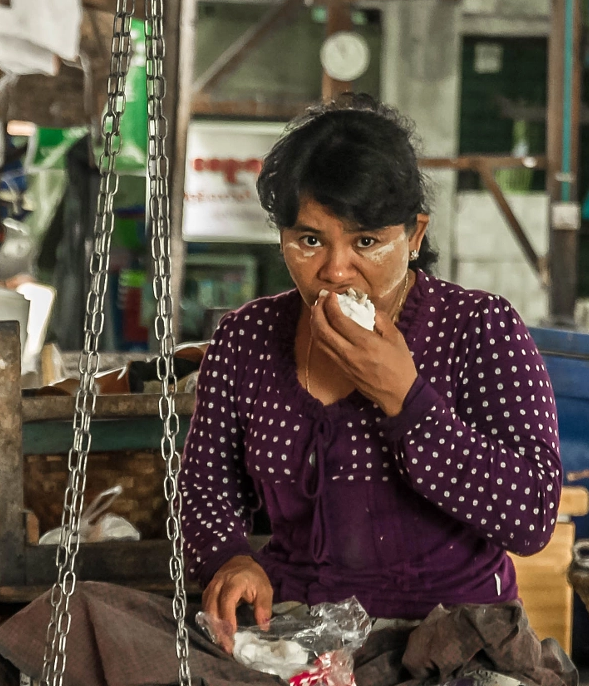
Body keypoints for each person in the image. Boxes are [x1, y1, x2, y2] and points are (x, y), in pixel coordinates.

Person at [181, 97, 564, 631]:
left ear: (414, 236)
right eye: (309, 240)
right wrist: (229, 559)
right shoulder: (244, 339)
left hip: (448, 639)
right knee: (81, 624)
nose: (336, 271)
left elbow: (531, 518)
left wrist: (406, 400)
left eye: (367, 242)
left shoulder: (478, 328)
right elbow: (205, 489)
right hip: (293, 630)